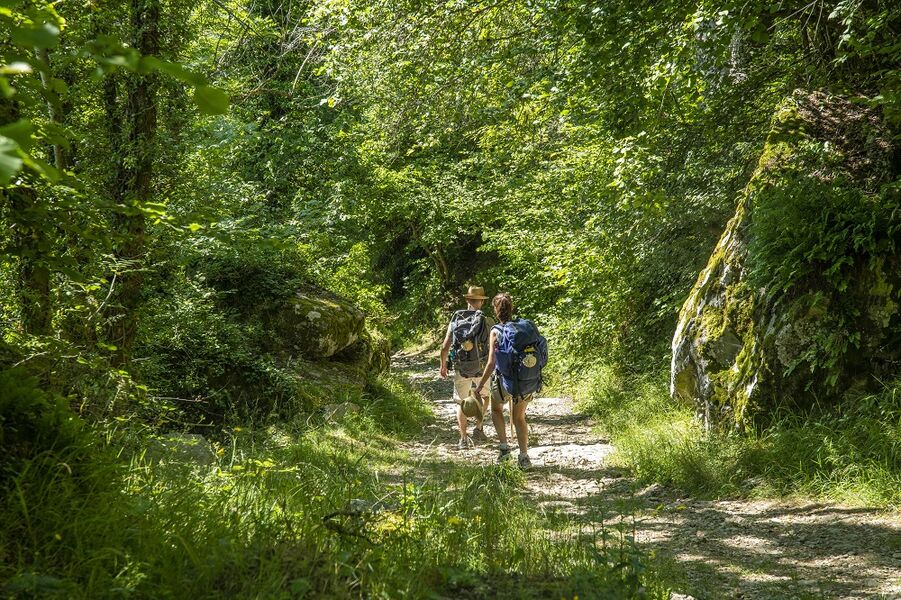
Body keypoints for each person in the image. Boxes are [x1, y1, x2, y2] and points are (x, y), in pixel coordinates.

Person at [475, 293, 535, 468]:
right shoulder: (524, 327)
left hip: (504, 381)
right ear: (512, 308)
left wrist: (480, 385)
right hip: (524, 380)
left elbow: (491, 362)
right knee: (519, 417)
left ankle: (504, 449)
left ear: (495, 309)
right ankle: (524, 457)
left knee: (496, 410)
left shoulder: (496, 331)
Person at [439, 285, 494, 449]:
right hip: (482, 368)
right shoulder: (486, 320)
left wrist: (443, 365)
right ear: (482, 302)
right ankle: (478, 427)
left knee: (461, 403)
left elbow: (445, 346)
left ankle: (463, 438)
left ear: (467, 300)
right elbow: (493, 346)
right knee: (485, 397)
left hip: (461, 368)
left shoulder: (456, 319)